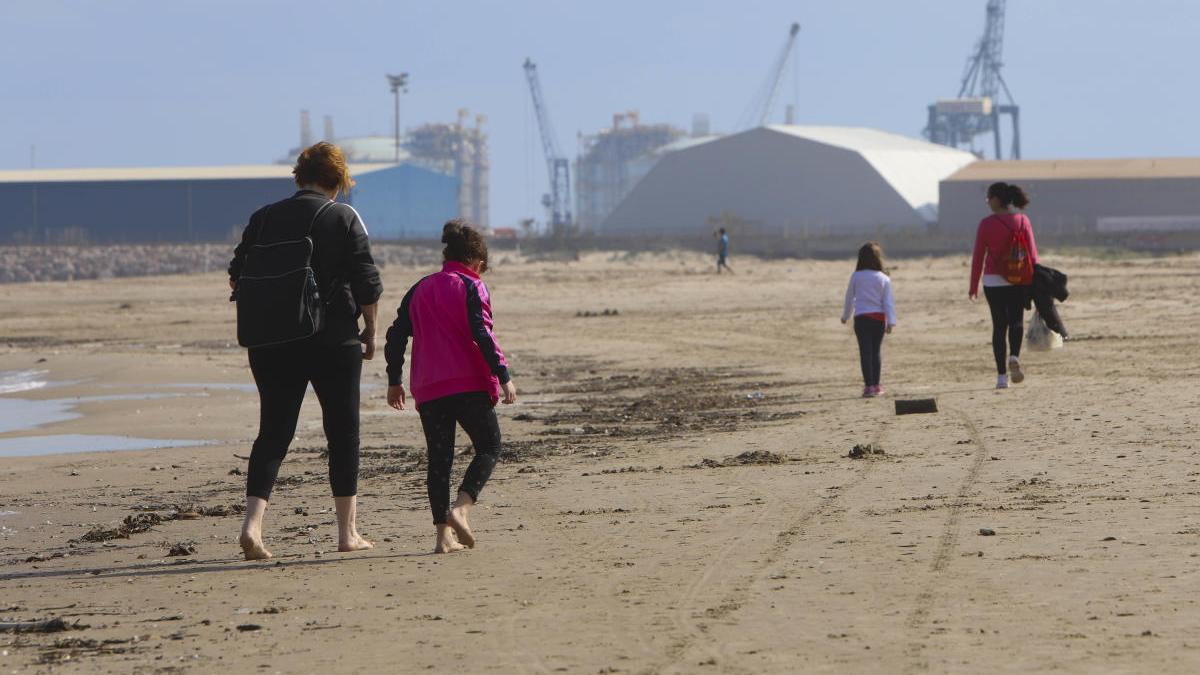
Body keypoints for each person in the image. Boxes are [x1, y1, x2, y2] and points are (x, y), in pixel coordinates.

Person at [228, 142, 382, 560]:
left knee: (274, 431)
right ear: (337, 180)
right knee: (343, 432)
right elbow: (367, 281)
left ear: (300, 175)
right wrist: (370, 331)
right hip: (332, 338)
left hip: (270, 340)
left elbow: (237, 273)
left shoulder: (264, 217)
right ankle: (347, 533)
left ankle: (253, 526)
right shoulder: (343, 216)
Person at [384, 220, 517, 554]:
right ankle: (461, 508)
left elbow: (396, 335)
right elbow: (482, 333)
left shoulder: (419, 288)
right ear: (476, 263)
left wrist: (394, 380)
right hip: (468, 385)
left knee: (439, 460)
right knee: (489, 446)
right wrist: (503, 374)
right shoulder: (472, 285)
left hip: (430, 388)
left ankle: (443, 538)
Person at [969, 181, 1038, 389]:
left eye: (988, 198)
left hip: (993, 280)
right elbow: (1033, 256)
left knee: (999, 326)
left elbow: (978, 257)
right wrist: (1035, 281)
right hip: (1018, 279)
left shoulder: (986, 224)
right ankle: (1014, 356)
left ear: (997, 200)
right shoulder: (1023, 221)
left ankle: (1001, 377)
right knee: (1016, 321)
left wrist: (973, 286)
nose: (987, 202)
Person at [841, 242, 896, 398]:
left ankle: (868, 386)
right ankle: (877, 386)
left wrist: (845, 316)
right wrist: (891, 322)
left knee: (865, 353)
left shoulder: (856, 276)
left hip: (861, 319)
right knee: (875, 352)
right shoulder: (883, 278)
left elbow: (849, 298)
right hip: (878, 319)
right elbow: (888, 302)